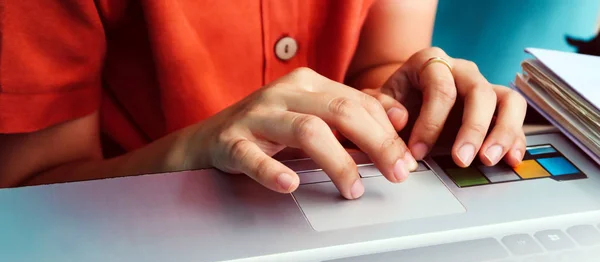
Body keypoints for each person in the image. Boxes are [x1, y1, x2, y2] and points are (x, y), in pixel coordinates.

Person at [0, 0, 527, 200]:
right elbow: (23, 194)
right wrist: (191, 151)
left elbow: (380, 62)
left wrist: (417, 94)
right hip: (138, 228)